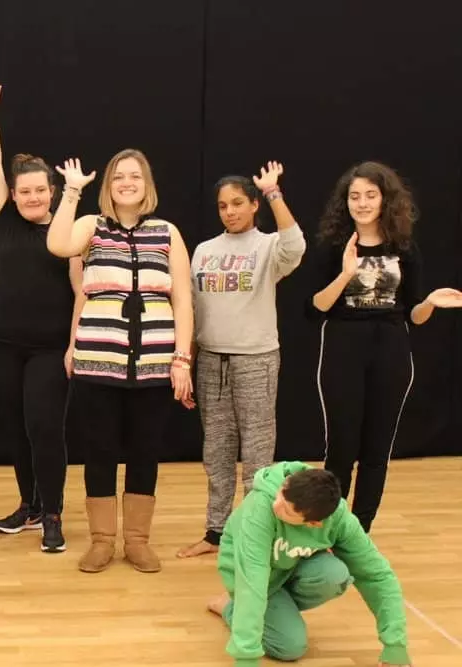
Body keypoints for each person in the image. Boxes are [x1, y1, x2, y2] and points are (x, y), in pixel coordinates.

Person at [46, 151, 194, 574]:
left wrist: (182, 358)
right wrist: (72, 191)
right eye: (118, 177)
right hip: (98, 362)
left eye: (135, 176)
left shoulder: (167, 232)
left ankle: (137, 541)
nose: (127, 183)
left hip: (154, 363)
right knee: (100, 451)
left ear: (147, 184)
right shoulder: (91, 226)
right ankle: (102, 541)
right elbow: (57, 245)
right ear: (108, 185)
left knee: (145, 451)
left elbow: (183, 300)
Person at [308, 161, 462, 533]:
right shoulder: (333, 246)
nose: (362, 203)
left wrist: (430, 303)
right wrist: (347, 273)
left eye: (370, 195)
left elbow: (413, 315)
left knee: (377, 450)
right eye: (354, 196)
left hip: (390, 351)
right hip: (343, 349)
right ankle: (330, 529)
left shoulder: (404, 248)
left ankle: (360, 532)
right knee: (341, 448)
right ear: (345, 202)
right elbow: (315, 308)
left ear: (384, 200)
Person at [0, 71, 82, 553]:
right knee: (16, 429)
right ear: (14, 194)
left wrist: (74, 344)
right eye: (25, 191)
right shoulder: (2, 219)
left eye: (40, 190)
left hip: (49, 348)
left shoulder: (67, 232)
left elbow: (80, 292)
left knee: (44, 428)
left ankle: (53, 513)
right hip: (1, 343)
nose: (33, 197)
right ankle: (30, 504)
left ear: (52, 191)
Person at [178, 162, 307, 559]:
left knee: (256, 454)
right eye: (223, 206)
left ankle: (255, 535)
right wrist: (188, 365)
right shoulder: (204, 250)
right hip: (211, 361)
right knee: (216, 453)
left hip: (256, 360)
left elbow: (296, 246)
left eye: (237, 203)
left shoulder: (268, 247)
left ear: (253, 205)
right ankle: (216, 532)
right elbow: (193, 310)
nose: (230, 211)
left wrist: (273, 192)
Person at [207, 461, 412, 667]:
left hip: (289, 566)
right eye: (281, 494)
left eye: (287, 511)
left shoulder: (339, 520)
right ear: (288, 482)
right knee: (290, 647)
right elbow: (252, 582)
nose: (276, 505)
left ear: (314, 523)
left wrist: (395, 647)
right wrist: (246, 660)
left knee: (335, 576)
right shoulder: (260, 508)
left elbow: (376, 575)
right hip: (249, 575)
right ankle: (230, 607)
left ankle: (277, 611)